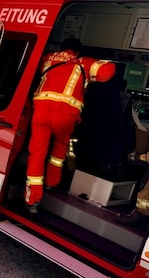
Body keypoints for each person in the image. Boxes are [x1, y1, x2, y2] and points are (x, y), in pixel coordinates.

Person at [25, 37, 115, 213]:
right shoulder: (84, 62)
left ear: (61, 47)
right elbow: (107, 71)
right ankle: (52, 183)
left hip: (41, 111)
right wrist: (96, 62)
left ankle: (32, 200)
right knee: (59, 150)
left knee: (36, 154)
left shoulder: (49, 57)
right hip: (66, 115)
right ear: (78, 51)